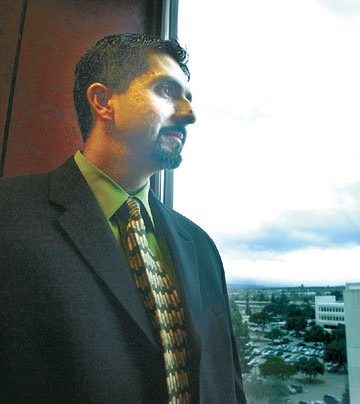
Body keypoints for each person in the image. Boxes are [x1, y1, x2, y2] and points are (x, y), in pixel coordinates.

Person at [0, 33, 246, 404]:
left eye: (189, 98)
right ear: (103, 101)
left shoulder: (200, 246)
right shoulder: (8, 215)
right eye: (167, 91)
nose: (189, 114)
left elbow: (228, 382)